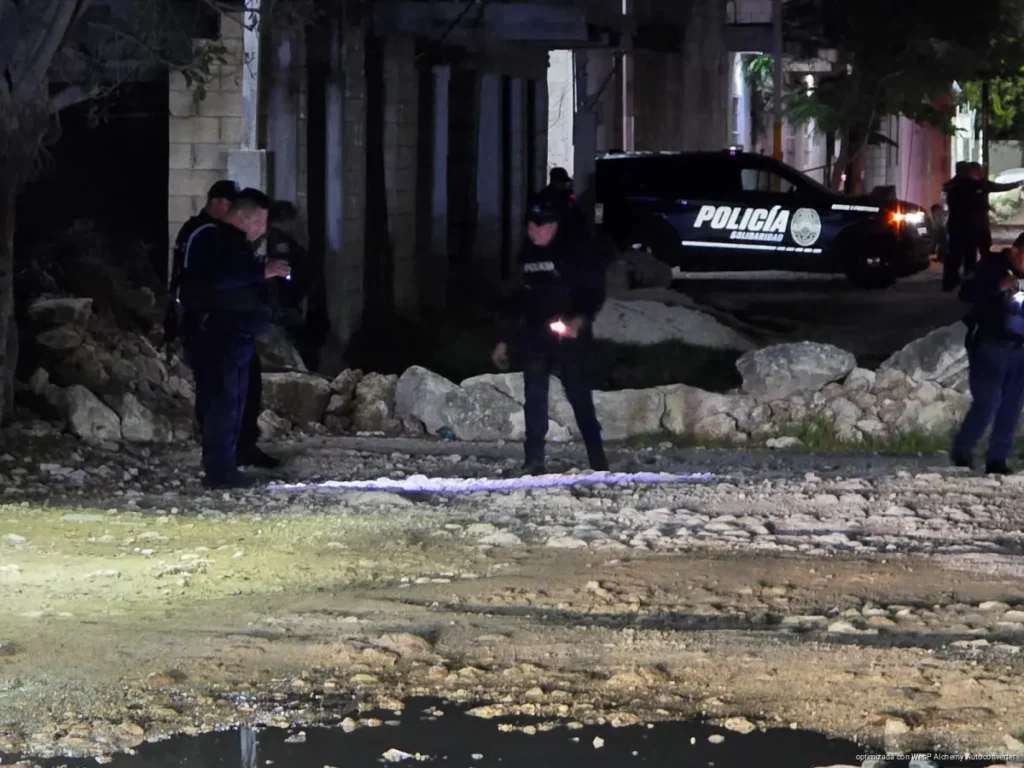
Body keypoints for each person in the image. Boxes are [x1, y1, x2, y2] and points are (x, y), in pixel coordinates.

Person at [178, 188, 291, 489]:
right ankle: (219, 470)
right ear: (245, 217)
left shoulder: (233, 242)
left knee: (236, 401)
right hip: (216, 335)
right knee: (220, 402)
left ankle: (229, 461)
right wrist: (261, 272)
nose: (261, 231)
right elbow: (214, 279)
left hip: (238, 335)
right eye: (260, 222)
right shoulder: (209, 237)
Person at [491, 189, 609, 475]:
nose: (535, 232)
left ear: (556, 224)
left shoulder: (575, 251)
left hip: (568, 335)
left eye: (541, 226)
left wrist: (579, 319)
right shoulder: (527, 253)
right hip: (534, 333)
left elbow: (593, 290)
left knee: (579, 396)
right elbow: (515, 297)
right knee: (534, 397)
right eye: (531, 227)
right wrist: (505, 338)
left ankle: (598, 461)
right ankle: (533, 460)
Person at [950, 233, 1024, 475]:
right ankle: (963, 448)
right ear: (1015, 252)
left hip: (1019, 350)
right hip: (990, 347)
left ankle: (997, 460)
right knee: (988, 402)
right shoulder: (991, 266)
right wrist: (998, 286)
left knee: (1012, 407)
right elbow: (966, 292)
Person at [943, 163, 1022, 291]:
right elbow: (996, 188)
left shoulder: (952, 185)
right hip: (975, 226)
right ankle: (974, 279)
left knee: (957, 254)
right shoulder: (975, 185)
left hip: (957, 226)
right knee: (974, 254)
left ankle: (952, 282)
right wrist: (1017, 184)